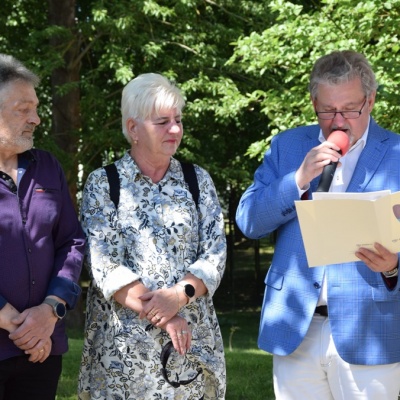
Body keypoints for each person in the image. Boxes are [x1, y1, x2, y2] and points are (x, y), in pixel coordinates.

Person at [236, 50, 400, 400]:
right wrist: (296, 179)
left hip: (369, 331)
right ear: (313, 103)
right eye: (327, 110)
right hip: (296, 327)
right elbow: (248, 221)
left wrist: (394, 266)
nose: (338, 121)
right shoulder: (287, 146)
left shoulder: (397, 153)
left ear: (370, 101)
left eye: (350, 109)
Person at [78, 73, 226, 400]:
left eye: (178, 120)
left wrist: (180, 294)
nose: (175, 129)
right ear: (133, 128)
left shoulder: (197, 180)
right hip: (123, 355)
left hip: (189, 349)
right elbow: (104, 264)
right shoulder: (104, 184)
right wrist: (166, 315)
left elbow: (215, 252)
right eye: (162, 122)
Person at [0, 54, 86, 399]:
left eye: (36, 108)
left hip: (43, 348)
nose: (35, 119)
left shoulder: (47, 166)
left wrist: (50, 312)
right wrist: (12, 320)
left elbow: (72, 242)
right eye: (23, 109)